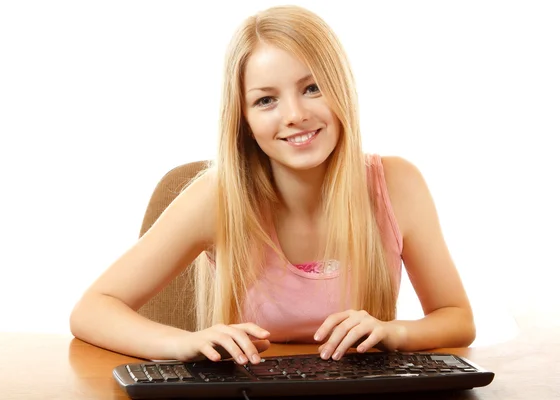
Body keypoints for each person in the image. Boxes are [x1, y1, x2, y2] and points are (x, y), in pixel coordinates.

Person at [70, 5, 475, 365]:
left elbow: (456, 317)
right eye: (266, 100)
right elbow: (93, 309)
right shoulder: (219, 197)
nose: (295, 115)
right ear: (243, 119)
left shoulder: (397, 184)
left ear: (342, 91)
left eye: (312, 88)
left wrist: (396, 333)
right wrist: (183, 343)